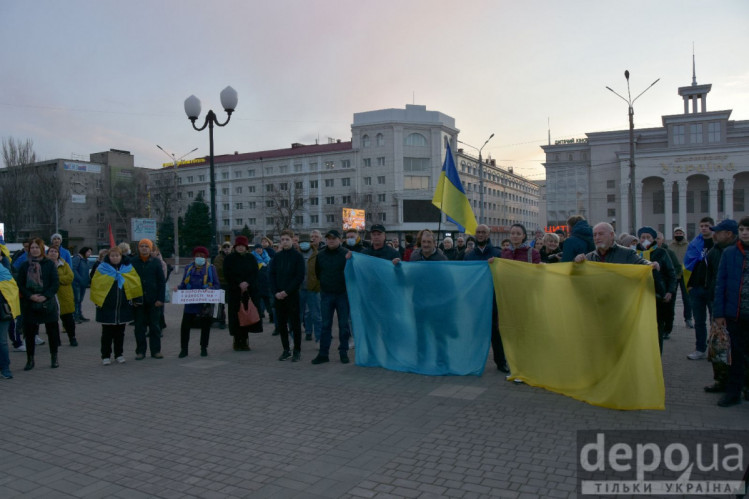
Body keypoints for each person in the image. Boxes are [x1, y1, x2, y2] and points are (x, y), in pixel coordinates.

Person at [712, 216, 749, 407]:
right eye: (742, 229)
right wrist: (718, 314)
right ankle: (733, 392)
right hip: (735, 314)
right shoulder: (730, 253)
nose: (744, 233)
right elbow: (721, 285)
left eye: (747, 230)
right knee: (735, 354)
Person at [464, 225, 506, 372]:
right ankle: (472, 360)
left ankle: (501, 362)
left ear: (488, 235)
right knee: (475, 331)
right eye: (478, 232)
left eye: (483, 232)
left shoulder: (497, 254)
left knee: (495, 331)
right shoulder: (469, 256)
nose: (480, 235)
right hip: (476, 300)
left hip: (493, 297)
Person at [16, 237, 61, 370]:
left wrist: (45, 296)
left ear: (42, 249)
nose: (34, 250)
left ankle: (54, 357)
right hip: (30, 302)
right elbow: (20, 284)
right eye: (32, 248)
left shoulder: (49, 264)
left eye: (37, 247)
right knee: (29, 333)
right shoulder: (25, 265)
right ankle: (30, 360)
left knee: (52, 332)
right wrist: (30, 296)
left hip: (47, 302)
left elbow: (55, 283)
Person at [91, 246, 139, 365]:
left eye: (117, 255)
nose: (115, 258)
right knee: (106, 334)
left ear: (121, 256)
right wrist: (98, 301)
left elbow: (135, 283)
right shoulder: (102, 268)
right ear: (109, 257)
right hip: (107, 306)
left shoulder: (128, 268)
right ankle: (105, 355)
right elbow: (96, 285)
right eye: (112, 256)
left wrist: (133, 299)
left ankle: (119, 354)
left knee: (120, 333)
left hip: (122, 306)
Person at [311, 230, 351, 365]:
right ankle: (323, 354)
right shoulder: (321, 255)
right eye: (328, 238)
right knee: (325, 325)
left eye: (334, 238)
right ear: (326, 240)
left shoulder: (346, 254)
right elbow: (317, 272)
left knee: (343, 325)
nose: (331, 240)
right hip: (326, 294)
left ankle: (343, 352)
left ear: (339, 239)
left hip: (342, 294)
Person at [636, 226, 676, 354]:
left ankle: (657, 355)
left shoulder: (661, 253)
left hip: (658, 295)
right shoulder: (633, 253)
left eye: (648, 237)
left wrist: (670, 290)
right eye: (643, 237)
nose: (645, 240)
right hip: (639, 295)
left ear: (653, 239)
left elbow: (671, 273)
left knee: (657, 326)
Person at [269, 230, 306, 362]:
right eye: (282, 239)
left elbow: (299, 276)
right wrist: (276, 292)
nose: (284, 242)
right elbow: (271, 275)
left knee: (295, 324)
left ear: (292, 240)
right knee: (282, 324)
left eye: (287, 239)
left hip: (292, 295)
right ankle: (286, 350)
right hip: (279, 296)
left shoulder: (297, 256)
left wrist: (287, 291)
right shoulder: (277, 257)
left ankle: (297, 350)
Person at [177, 247, 220, 358]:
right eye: (197, 256)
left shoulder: (211, 268)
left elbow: (216, 285)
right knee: (185, 326)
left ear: (206, 257)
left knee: (205, 326)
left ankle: (203, 348)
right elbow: (183, 284)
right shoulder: (188, 268)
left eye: (202, 256)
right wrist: (178, 288)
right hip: (190, 302)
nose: (199, 258)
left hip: (204, 303)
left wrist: (210, 290)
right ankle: (184, 349)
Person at [223, 236, 263, 351]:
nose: (240, 248)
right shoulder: (229, 258)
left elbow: (255, 273)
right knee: (236, 317)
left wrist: (247, 283)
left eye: (243, 246)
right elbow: (227, 274)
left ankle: (245, 340)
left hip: (248, 292)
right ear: (235, 247)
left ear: (246, 247)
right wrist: (239, 283)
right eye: (238, 246)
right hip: (235, 292)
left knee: (247, 315)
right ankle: (237, 340)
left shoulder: (251, 258)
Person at [684, 217, 715, 360]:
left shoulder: (717, 244)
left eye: (707, 226)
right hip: (696, 287)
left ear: (712, 227)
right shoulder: (695, 244)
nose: (704, 228)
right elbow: (688, 264)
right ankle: (700, 348)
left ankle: (715, 349)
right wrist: (689, 286)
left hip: (713, 288)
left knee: (715, 321)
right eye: (701, 226)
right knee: (699, 321)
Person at [131, 239, 166, 360]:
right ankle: (140, 351)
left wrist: (160, 299)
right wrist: (133, 299)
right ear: (138, 248)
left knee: (155, 326)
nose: (144, 248)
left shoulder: (156, 262)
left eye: (147, 246)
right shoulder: (133, 262)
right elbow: (129, 281)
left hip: (154, 300)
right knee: (139, 327)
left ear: (151, 249)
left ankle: (156, 351)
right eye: (142, 246)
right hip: (138, 300)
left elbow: (162, 282)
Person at [574, 223, 653, 266]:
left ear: (611, 235)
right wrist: (577, 263)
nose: (597, 237)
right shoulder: (589, 257)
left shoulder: (627, 253)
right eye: (594, 235)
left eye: (601, 234)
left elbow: (642, 263)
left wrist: (651, 264)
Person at [47, 246, 78, 347]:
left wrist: (56, 279)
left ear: (58, 254)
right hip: (50, 296)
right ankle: (56, 340)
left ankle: (72, 337)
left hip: (64, 295)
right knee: (52, 320)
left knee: (68, 318)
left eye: (55, 251)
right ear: (47, 254)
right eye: (51, 251)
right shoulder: (44, 265)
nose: (53, 253)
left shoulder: (64, 264)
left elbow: (70, 277)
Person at [656, 231, 681, 340]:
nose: (656, 241)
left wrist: (670, 286)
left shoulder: (669, 253)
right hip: (657, 288)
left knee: (669, 310)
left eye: (658, 239)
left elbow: (676, 268)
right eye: (655, 239)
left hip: (668, 285)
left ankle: (667, 329)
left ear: (662, 240)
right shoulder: (648, 253)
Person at [669, 227, 693, 328]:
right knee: (672, 299)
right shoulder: (670, 246)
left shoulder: (689, 245)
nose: (678, 235)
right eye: (676, 233)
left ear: (683, 234)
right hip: (674, 275)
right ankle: (670, 320)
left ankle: (688, 319)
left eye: (680, 233)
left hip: (685, 275)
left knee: (687, 299)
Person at [0, 262, 20, 379]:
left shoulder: (4, 271)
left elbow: (12, 291)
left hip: (2, 311)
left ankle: (5, 368)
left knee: (2, 341)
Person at [252, 243, 274, 325]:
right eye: (257, 248)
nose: (258, 250)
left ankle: (271, 316)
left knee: (268, 301)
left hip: (267, 283)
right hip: (257, 283)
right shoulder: (252, 257)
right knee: (258, 302)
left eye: (260, 248)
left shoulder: (267, 257)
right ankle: (258, 317)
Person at [213, 242, 232, 329]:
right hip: (221, 283)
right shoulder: (218, 258)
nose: (226, 249)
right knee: (221, 304)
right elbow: (218, 269)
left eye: (228, 247)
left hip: (231, 284)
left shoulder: (233, 256)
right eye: (225, 247)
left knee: (232, 304)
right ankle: (222, 321)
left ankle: (232, 321)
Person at [71, 246, 92, 323]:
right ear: (84, 251)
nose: (90, 254)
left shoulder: (86, 260)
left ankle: (79, 315)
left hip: (83, 284)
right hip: (76, 283)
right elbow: (73, 269)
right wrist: (80, 279)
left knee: (80, 300)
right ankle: (75, 316)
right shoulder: (77, 258)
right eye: (89, 252)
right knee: (76, 300)